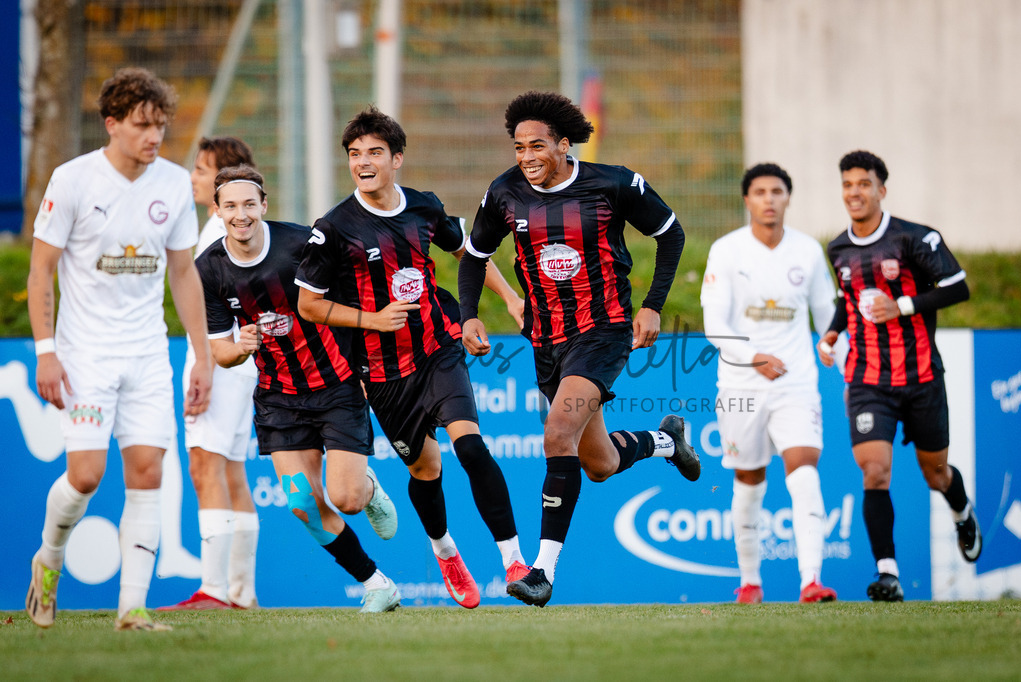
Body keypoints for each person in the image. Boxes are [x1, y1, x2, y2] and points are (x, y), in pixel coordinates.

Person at [458, 91, 701, 607]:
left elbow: (671, 234)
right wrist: (470, 314)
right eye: (519, 147)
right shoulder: (504, 192)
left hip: (604, 331)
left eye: (537, 146)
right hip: (546, 339)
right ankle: (665, 441)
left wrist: (654, 305)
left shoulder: (613, 182)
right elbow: (475, 254)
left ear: (564, 145)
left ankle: (542, 572)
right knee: (598, 461)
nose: (526, 157)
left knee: (558, 431)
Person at [295, 106, 529, 609]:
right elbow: (308, 304)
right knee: (425, 470)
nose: (363, 162)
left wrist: (508, 299)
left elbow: (469, 252)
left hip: (437, 348)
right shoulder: (333, 228)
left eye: (374, 152)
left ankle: (514, 560)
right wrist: (371, 320)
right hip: (380, 372)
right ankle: (444, 549)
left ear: (397, 158)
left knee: (469, 447)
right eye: (355, 154)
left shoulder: (424, 207)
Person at [25, 67, 212, 631]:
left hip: (149, 354)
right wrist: (45, 351)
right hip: (85, 354)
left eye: (159, 125)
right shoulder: (73, 179)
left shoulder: (174, 184)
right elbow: (41, 271)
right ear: (111, 124)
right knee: (84, 477)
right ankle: (49, 560)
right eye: (140, 125)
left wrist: (201, 355)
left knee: (148, 473)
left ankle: (132, 609)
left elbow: (183, 273)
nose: (153, 136)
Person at [196, 164, 402, 613]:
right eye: (230, 206)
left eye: (249, 204)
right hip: (277, 396)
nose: (241, 215)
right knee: (302, 503)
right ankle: (376, 583)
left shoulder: (299, 246)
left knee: (345, 499)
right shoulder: (208, 269)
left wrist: (366, 371)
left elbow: (352, 304)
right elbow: (220, 351)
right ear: (217, 211)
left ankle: (365, 488)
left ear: (264, 206)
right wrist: (241, 347)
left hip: (337, 384)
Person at [819, 150, 980, 602]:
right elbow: (846, 299)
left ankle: (961, 510)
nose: (855, 192)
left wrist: (903, 306)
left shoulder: (915, 238)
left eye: (863, 184)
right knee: (874, 471)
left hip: (922, 375)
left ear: (881, 190)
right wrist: (831, 335)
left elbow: (958, 287)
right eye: (848, 184)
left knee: (936, 474)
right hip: (868, 378)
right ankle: (887, 573)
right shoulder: (838, 248)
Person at [701, 163, 839, 604]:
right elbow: (713, 324)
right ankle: (750, 582)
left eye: (777, 191)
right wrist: (752, 357)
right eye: (760, 192)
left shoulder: (808, 251)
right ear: (747, 200)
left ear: (787, 198)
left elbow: (829, 313)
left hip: (796, 383)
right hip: (740, 386)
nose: (769, 199)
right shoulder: (727, 251)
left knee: (804, 472)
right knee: (748, 478)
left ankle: (811, 581)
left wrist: (834, 344)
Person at [159, 137, 260, 612]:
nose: (193, 177)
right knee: (232, 472)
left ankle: (215, 590)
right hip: (240, 362)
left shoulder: (216, 234)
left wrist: (203, 363)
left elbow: (207, 310)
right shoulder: (224, 231)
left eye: (203, 170)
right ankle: (240, 592)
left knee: (205, 466)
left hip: (219, 361)